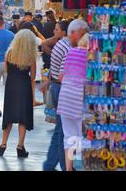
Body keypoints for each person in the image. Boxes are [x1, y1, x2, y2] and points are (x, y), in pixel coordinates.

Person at [43, 19, 87, 171]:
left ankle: (57, 165)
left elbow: (62, 73)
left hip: (62, 93)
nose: (54, 32)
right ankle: (67, 166)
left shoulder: (63, 46)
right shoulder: (71, 48)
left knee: (63, 133)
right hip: (69, 94)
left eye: (56, 29)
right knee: (71, 134)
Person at [0, 29, 37, 158]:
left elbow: (7, 71)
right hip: (24, 87)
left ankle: (3, 144)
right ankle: (20, 145)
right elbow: (33, 76)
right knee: (22, 117)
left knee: (9, 115)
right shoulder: (30, 56)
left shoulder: (9, 54)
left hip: (11, 86)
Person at [57, 33, 89, 171]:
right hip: (79, 99)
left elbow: (61, 76)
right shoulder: (89, 57)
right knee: (83, 137)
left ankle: (69, 168)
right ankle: (81, 167)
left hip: (65, 99)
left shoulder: (70, 53)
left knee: (69, 137)